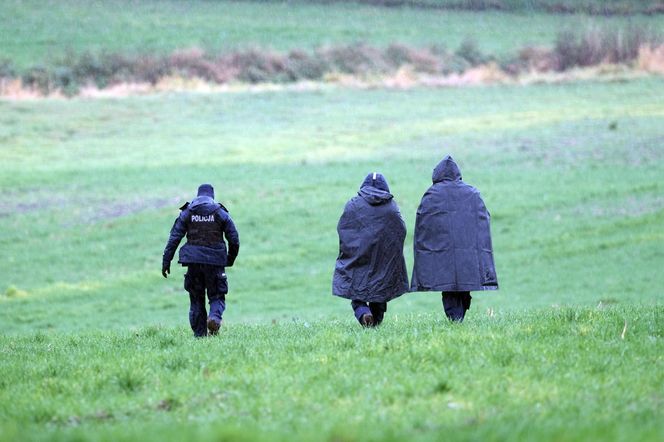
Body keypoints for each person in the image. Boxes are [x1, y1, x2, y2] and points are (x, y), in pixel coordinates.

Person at [411, 156, 498, 322]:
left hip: (441, 251)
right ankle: (458, 318)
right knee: (464, 285)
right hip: (468, 250)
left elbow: (424, 223)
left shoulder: (431, 195)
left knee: (448, 287)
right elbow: (483, 219)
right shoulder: (472, 193)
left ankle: (455, 319)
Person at [162, 184, 240, 337]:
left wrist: (166, 260)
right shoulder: (220, 213)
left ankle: (200, 337)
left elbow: (174, 238)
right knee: (217, 296)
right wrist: (229, 259)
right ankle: (214, 318)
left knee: (196, 300)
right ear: (212, 196)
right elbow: (234, 239)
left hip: (193, 262)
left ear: (198, 195)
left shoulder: (188, 212)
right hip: (215, 262)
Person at [333, 173, 409, 327]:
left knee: (356, 290)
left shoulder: (353, 205)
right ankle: (375, 323)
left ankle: (363, 313)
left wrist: (350, 249)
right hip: (384, 258)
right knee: (380, 292)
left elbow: (343, 229)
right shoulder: (391, 207)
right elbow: (401, 230)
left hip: (359, 255)